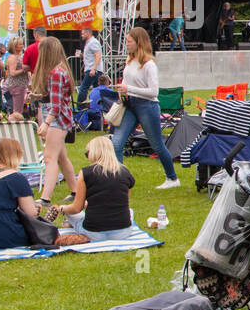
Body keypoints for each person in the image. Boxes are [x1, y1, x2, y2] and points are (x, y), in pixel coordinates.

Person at [111, 26, 180, 191]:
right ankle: (118, 181)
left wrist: (129, 89)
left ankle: (172, 177)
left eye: (129, 41)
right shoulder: (129, 61)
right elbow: (130, 84)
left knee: (157, 144)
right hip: (130, 105)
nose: (126, 44)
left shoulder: (149, 65)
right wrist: (123, 91)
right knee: (117, 143)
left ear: (138, 43)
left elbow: (153, 92)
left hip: (147, 106)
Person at [28, 35, 78, 205]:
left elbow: (55, 106)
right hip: (59, 117)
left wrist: (45, 123)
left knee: (49, 158)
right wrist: (39, 96)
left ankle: (45, 198)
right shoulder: (60, 70)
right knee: (61, 157)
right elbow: (56, 99)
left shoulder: (55, 73)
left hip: (56, 119)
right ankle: (75, 191)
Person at [56, 135, 136, 241]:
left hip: (93, 232)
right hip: (122, 232)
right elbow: (123, 202)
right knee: (129, 211)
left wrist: (62, 209)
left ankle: (69, 222)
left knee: (72, 214)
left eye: (87, 153)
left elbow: (76, 208)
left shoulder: (86, 173)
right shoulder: (125, 172)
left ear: (94, 153)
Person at [76, 28, 103, 106]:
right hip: (92, 69)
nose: (82, 36)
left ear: (88, 33)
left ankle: (80, 107)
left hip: (93, 70)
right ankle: (97, 106)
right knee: (96, 90)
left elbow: (98, 55)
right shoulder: (89, 43)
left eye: (83, 34)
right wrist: (82, 56)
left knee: (83, 88)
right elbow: (92, 56)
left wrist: (93, 69)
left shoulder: (93, 42)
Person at [4, 38, 29, 118]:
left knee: (20, 108)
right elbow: (12, 73)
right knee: (17, 110)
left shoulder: (17, 56)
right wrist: (24, 69)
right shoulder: (13, 58)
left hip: (20, 84)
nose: (22, 46)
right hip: (17, 85)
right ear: (14, 46)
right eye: (20, 44)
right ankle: (14, 123)